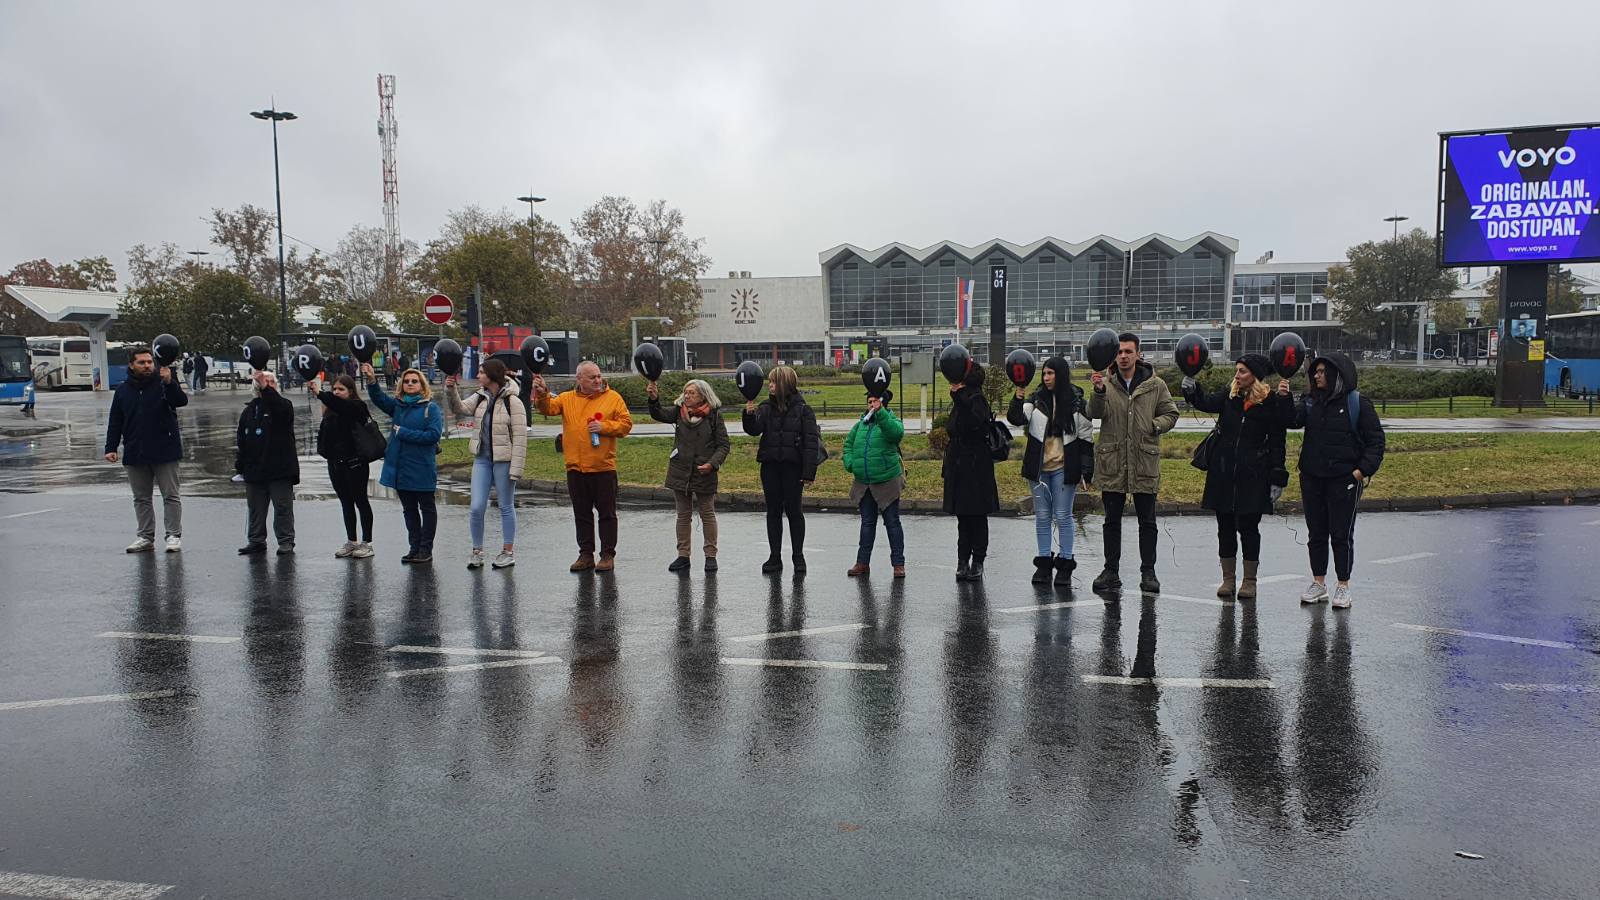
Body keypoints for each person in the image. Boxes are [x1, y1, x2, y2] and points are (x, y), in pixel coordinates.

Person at [1182, 354, 1294, 600]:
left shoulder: (1270, 402)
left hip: (1253, 474)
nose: (1237, 375)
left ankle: (1249, 581)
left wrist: (1277, 477)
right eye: (1237, 370)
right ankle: (1228, 579)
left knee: (1249, 528)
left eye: (1242, 371)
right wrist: (1192, 389)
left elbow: (1278, 441)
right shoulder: (1229, 396)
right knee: (1225, 527)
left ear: (1254, 375)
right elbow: (1206, 402)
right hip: (1223, 471)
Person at [1291, 352, 1386, 609]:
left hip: (1344, 480)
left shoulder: (1358, 403)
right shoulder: (1311, 401)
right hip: (1312, 477)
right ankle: (1318, 583)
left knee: (1341, 534)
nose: (1317, 376)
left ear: (1337, 376)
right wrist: (1283, 398)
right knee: (1316, 533)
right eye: (1316, 372)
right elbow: (1293, 420)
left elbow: (1376, 442)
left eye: (1322, 372)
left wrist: (1360, 472)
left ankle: (1343, 585)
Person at [1088, 332, 1179, 594]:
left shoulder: (1155, 385)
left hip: (1143, 461)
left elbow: (1171, 413)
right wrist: (1098, 392)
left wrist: (1154, 425)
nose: (1124, 356)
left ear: (1138, 354)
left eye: (1129, 351)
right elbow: (1094, 414)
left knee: (1147, 521)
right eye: (1119, 352)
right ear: (1113, 356)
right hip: (1113, 460)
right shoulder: (1106, 383)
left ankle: (1148, 572)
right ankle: (1111, 570)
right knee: (1111, 520)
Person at [532, 361, 633, 572]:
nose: (598, 380)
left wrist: (604, 426)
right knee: (582, 513)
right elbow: (548, 408)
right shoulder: (567, 398)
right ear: (579, 380)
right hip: (576, 468)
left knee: (607, 514)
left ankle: (607, 555)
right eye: (592, 377)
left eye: (598, 376)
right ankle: (586, 554)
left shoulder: (613, 398)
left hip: (603, 467)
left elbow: (626, 425)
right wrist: (542, 394)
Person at [1008, 357, 1094, 586]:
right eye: (1044, 374)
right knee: (1043, 516)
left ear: (1061, 375)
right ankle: (1044, 563)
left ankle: (1065, 564)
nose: (1046, 378)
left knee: (1063, 515)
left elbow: (1086, 439)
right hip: (1039, 469)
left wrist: (1086, 471)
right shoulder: (1035, 400)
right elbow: (1015, 418)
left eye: (1050, 373)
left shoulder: (1077, 403)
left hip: (1064, 468)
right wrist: (1017, 396)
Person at [443, 359, 527, 570]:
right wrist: (451, 390)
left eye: (481, 372)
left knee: (506, 505)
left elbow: (520, 438)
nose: (478, 376)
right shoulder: (480, 397)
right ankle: (477, 551)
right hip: (482, 459)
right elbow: (460, 408)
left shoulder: (513, 401)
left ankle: (508, 551)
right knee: (476, 506)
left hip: (504, 460)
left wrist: (516, 468)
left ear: (492, 375)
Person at [103, 345, 187, 552]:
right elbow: (116, 419)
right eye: (142, 362)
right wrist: (111, 447)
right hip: (135, 450)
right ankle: (145, 537)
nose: (147, 366)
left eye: (150, 362)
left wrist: (170, 382)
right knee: (141, 498)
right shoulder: (123, 390)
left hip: (165, 449)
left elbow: (181, 401)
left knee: (171, 495)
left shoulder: (163, 383)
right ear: (131, 365)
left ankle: (173, 535)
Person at [743, 365, 821, 575]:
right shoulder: (765, 408)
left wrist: (808, 472)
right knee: (773, 512)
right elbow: (753, 430)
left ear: (785, 384)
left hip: (793, 469)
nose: (770, 385)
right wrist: (749, 415)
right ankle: (774, 556)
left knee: (794, 512)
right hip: (770, 467)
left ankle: (798, 556)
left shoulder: (804, 410)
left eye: (774, 382)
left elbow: (811, 443)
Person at [648, 378, 730, 573]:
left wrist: (712, 464)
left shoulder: (715, 415)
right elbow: (658, 413)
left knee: (707, 514)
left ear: (703, 395)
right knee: (683, 515)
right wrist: (653, 398)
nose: (687, 395)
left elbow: (723, 445)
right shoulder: (678, 412)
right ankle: (683, 556)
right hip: (680, 470)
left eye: (691, 392)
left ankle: (711, 556)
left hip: (705, 471)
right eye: (685, 392)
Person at [365, 362, 444, 564]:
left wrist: (403, 433)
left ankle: (426, 549)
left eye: (414, 381)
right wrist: (372, 380)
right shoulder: (398, 407)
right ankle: (414, 547)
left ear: (422, 385)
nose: (410, 384)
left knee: (426, 508)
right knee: (409, 510)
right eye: (406, 381)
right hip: (401, 468)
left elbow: (433, 436)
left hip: (422, 468)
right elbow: (379, 399)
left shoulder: (431, 408)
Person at [943, 363, 1000, 581]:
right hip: (959, 465)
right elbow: (953, 428)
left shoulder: (976, 399)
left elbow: (973, 423)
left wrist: (958, 398)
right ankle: (962, 561)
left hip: (976, 467)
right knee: (963, 518)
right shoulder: (962, 399)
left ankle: (978, 561)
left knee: (977, 517)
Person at [843, 388, 906, 578]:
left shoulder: (891, 421)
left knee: (892, 523)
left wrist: (881, 414)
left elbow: (896, 435)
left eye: (875, 402)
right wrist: (851, 463)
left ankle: (898, 564)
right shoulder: (860, 425)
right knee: (867, 523)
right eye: (869, 402)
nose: (871, 405)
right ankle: (862, 563)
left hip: (887, 482)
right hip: (864, 483)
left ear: (883, 404)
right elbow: (848, 445)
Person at [235, 370, 298, 555]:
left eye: (272, 382)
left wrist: (267, 389)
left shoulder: (284, 406)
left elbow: (281, 410)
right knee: (255, 509)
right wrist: (241, 466)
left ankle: (286, 541)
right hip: (255, 469)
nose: (268, 384)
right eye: (264, 382)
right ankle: (256, 540)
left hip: (280, 469)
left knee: (283, 507)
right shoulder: (249, 411)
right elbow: (242, 440)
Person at [314, 373, 376, 559]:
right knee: (345, 502)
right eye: (334, 389)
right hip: (336, 464)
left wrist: (321, 393)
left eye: (341, 389)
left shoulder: (356, 406)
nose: (336, 392)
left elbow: (344, 407)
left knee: (360, 500)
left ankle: (367, 543)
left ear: (351, 391)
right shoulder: (330, 410)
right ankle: (352, 541)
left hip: (355, 463)